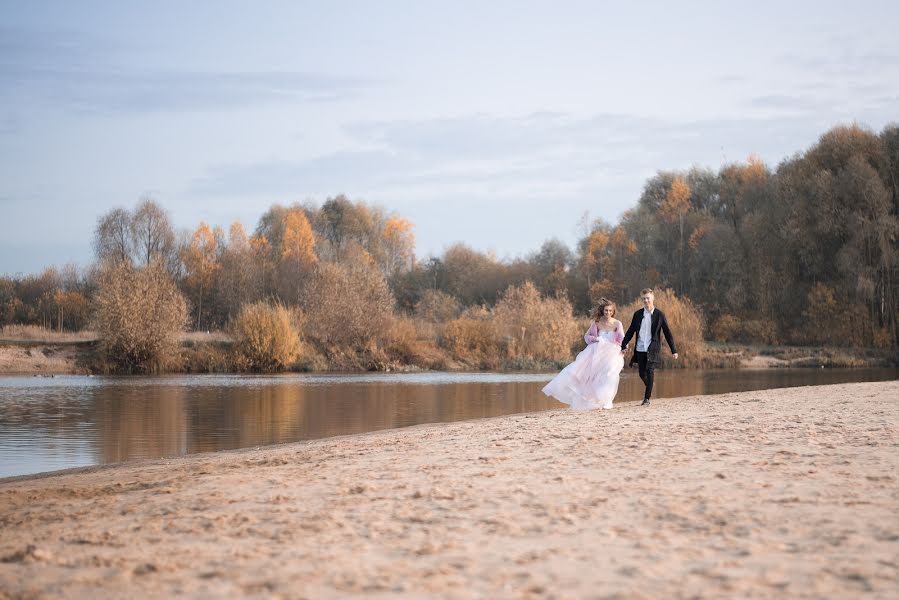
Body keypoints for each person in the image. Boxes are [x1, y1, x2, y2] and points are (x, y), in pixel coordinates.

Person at [542, 297, 624, 410]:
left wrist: (624, 347)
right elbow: (587, 336)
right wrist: (595, 339)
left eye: (610, 311)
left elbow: (622, 338)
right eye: (606, 310)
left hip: (611, 352)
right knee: (590, 375)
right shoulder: (596, 323)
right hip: (596, 352)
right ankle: (597, 400)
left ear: (613, 311)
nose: (608, 313)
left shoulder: (617, 324)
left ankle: (607, 400)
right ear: (602, 311)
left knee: (609, 374)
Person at [620, 288, 678, 407]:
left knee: (650, 371)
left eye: (648, 298)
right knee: (642, 373)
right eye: (644, 299)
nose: (646, 300)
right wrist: (623, 344)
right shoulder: (637, 314)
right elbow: (631, 330)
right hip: (640, 347)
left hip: (653, 348)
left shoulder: (659, 315)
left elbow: (667, 333)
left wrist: (674, 350)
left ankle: (646, 399)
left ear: (652, 298)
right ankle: (650, 385)